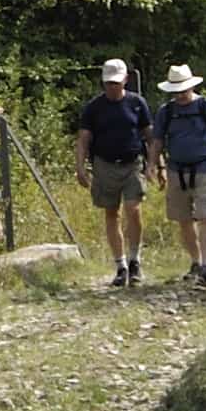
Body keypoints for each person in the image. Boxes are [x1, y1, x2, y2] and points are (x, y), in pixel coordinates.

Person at [73, 57, 154, 288]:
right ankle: (120, 265)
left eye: (116, 83)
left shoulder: (136, 103)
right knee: (111, 213)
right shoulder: (94, 107)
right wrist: (80, 167)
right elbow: (84, 139)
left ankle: (135, 260)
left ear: (125, 80)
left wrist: (156, 163)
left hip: (132, 163)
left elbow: (150, 135)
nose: (112, 87)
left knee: (133, 209)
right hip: (105, 165)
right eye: (109, 83)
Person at [155, 64, 206, 287]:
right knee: (184, 220)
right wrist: (155, 165)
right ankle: (195, 262)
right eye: (176, 91)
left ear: (191, 86)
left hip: (205, 168)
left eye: (183, 90)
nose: (180, 95)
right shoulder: (166, 112)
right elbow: (157, 141)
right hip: (176, 171)